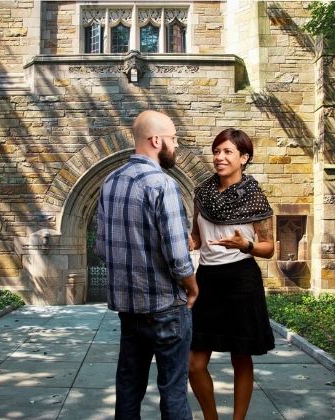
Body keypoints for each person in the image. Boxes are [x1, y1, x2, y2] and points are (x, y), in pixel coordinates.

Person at [96, 110, 199, 420]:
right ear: (156, 140)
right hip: (166, 308)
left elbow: (102, 246)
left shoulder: (110, 182)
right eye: (173, 139)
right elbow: (178, 257)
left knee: (128, 388)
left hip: (129, 311)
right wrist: (192, 289)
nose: (176, 146)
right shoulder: (162, 184)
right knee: (173, 390)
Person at [188, 128, 275, 420]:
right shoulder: (201, 193)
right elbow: (196, 238)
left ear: (244, 158)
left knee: (241, 356)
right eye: (216, 151)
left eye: (227, 152)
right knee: (194, 363)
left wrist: (246, 245)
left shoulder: (255, 197)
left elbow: (269, 247)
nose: (219, 157)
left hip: (241, 279)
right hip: (207, 281)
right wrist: (184, 241)